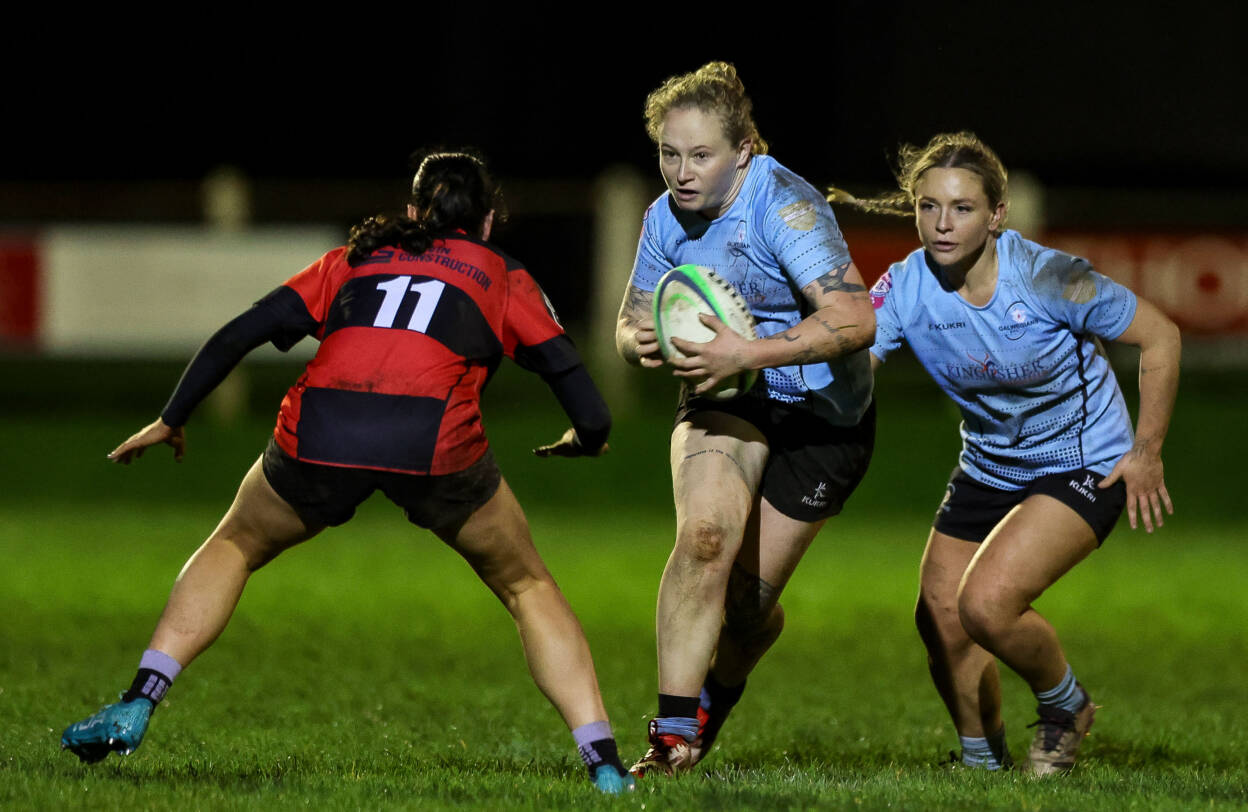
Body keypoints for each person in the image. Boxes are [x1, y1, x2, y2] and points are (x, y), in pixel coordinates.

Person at [60, 151, 635, 794]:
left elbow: (237, 334)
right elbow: (580, 392)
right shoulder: (499, 272)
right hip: (433, 445)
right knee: (527, 587)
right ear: (490, 220)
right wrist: (588, 439)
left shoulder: (354, 258)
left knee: (235, 543)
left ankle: (140, 697)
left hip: (321, 429)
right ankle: (605, 764)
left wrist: (173, 417)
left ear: (413, 210)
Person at [830, 132, 1180, 775]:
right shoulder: (905, 286)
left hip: (1081, 464)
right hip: (988, 466)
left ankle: (1065, 707)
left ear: (996, 215)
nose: (941, 223)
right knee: (939, 615)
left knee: (985, 605)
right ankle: (981, 765)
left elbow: (1161, 337)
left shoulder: (1049, 278)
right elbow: (853, 365)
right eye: (928, 206)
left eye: (962, 208)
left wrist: (1146, 452)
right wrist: (763, 368)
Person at [614, 62, 877, 776]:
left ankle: (715, 701)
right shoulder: (663, 216)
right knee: (704, 539)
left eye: (700, 155)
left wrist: (746, 349)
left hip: (826, 415)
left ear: (745, 150)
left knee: (747, 609)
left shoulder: (785, 206)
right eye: (669, 153)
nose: (681, 172)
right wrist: (640, 340)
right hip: (730, 398)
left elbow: (856, 321)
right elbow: (630, 323)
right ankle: (670, 740)